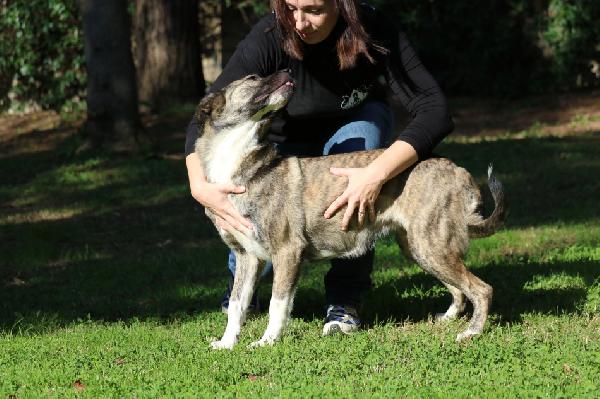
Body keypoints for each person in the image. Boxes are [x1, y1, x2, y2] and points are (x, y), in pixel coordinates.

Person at [185, 0, 454, 335]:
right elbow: (207, 116)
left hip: (353, 121)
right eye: (290, 7)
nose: (299, 22)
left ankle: (345, 299)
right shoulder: (270, 33)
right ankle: (244, 295)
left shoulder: (373, 29)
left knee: (360, 153)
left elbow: (434, 109)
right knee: (257, 220)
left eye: (313, 10)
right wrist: (200, 186)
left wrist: (377, 172)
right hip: (285, 135)